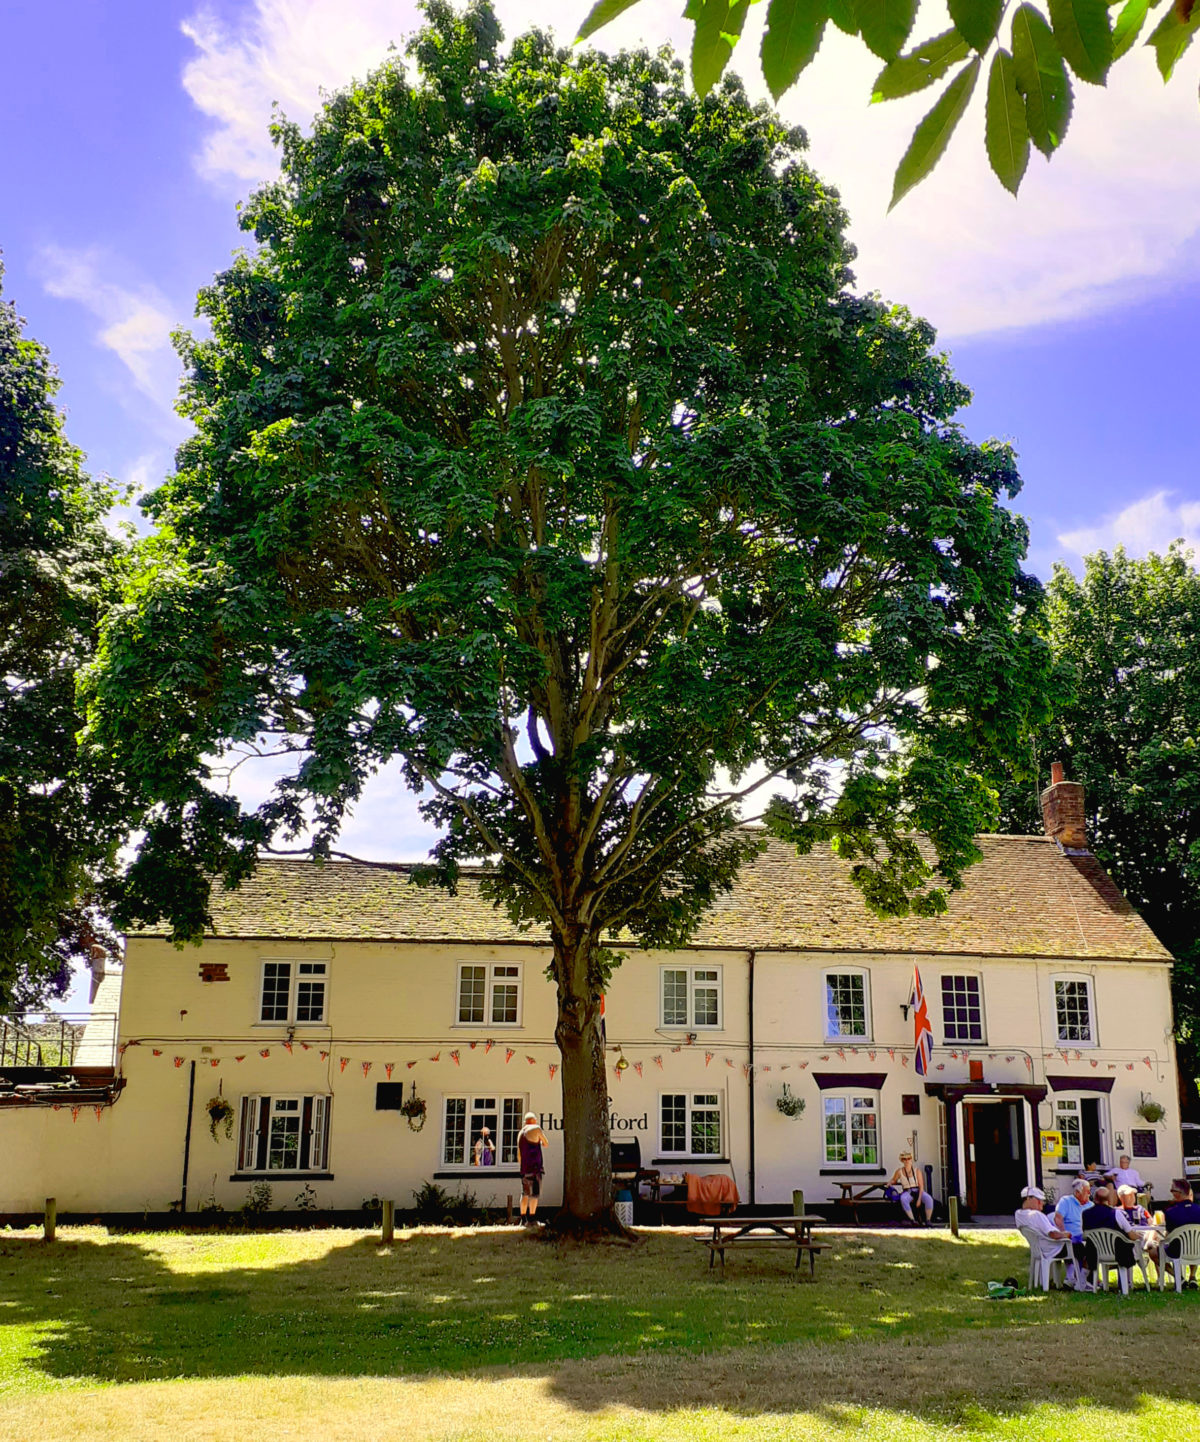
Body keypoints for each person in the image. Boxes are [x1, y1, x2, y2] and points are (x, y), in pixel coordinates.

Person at [1081, 1184, 1137, 1282]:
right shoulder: (1115, 1213)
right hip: (1117, 1252)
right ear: (1108, 1199)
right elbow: (1131, 1235)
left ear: (1094, 1199)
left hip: (1094, 1253)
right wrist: (1140, 1236)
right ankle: (1126, 1283)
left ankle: (1081, 1282)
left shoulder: (1085, 1214)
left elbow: (1085, 1234)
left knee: (1089, 1247)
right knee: (1128, 1244)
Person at [1015, 1185, 1071, 1274]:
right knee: (1080, 1248)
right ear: (1029, 1199)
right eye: (1039, 1200)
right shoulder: (1036, 1215)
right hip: (1053, 1250)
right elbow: (1053, 1235)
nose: (1041, 1204)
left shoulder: (1018, 1214)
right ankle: (1078, 1279)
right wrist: (1066, 1234)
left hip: (1039, 1249)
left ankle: (1071, 1279)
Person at [1053, 1178, 1093, 1289]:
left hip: (1087, 1236)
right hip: (1071, 1238)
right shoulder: (1066, 1201)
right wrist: (1062, 1232)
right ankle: (1074, 1278)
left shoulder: (1090, 1205)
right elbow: (1058, 1218)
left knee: (1095, 1245)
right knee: (1079, 1247)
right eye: (1087, 1191)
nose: (1090, 1193)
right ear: (1077, 1192)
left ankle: (1083, 1278)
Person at [1163, 1179, 1200, 1287]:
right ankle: (1192, 1276)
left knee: (1153, 1252)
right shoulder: (1198, 1209)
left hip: (1177, 1251)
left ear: (1177, 1194)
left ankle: (1178, 1276)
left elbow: (1168, 1236)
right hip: (1197, 1249)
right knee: (1194, 1241)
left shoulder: (1170, 1212)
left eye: (1172, 1190)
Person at [517, 1111, 548, 1227]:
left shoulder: (520, 1133)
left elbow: (519, 1154)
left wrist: (522, 1166)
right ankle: (532, 1219)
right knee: (534, 1194)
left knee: (524, 1193)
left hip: (524, 1168)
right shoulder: (536, 1128)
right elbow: (546, 1143)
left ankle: (523, 1219)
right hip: (535, 1168)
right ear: (534, 1120)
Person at [889, 1150, 934, 1226]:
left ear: (911, 1160)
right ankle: (912, 1220)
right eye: (904, 1159)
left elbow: (921, 1185)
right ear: (902, 1161)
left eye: (908, 1158)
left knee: (929, 1199)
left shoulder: (917, 1171)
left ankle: (928, 1220)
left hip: (917, 1190)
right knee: (903, 1198)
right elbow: (894, 1180)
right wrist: (890, 1182)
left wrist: (919, 1199)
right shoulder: (899, 1171)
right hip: (907, 1191)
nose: (907, 1161)